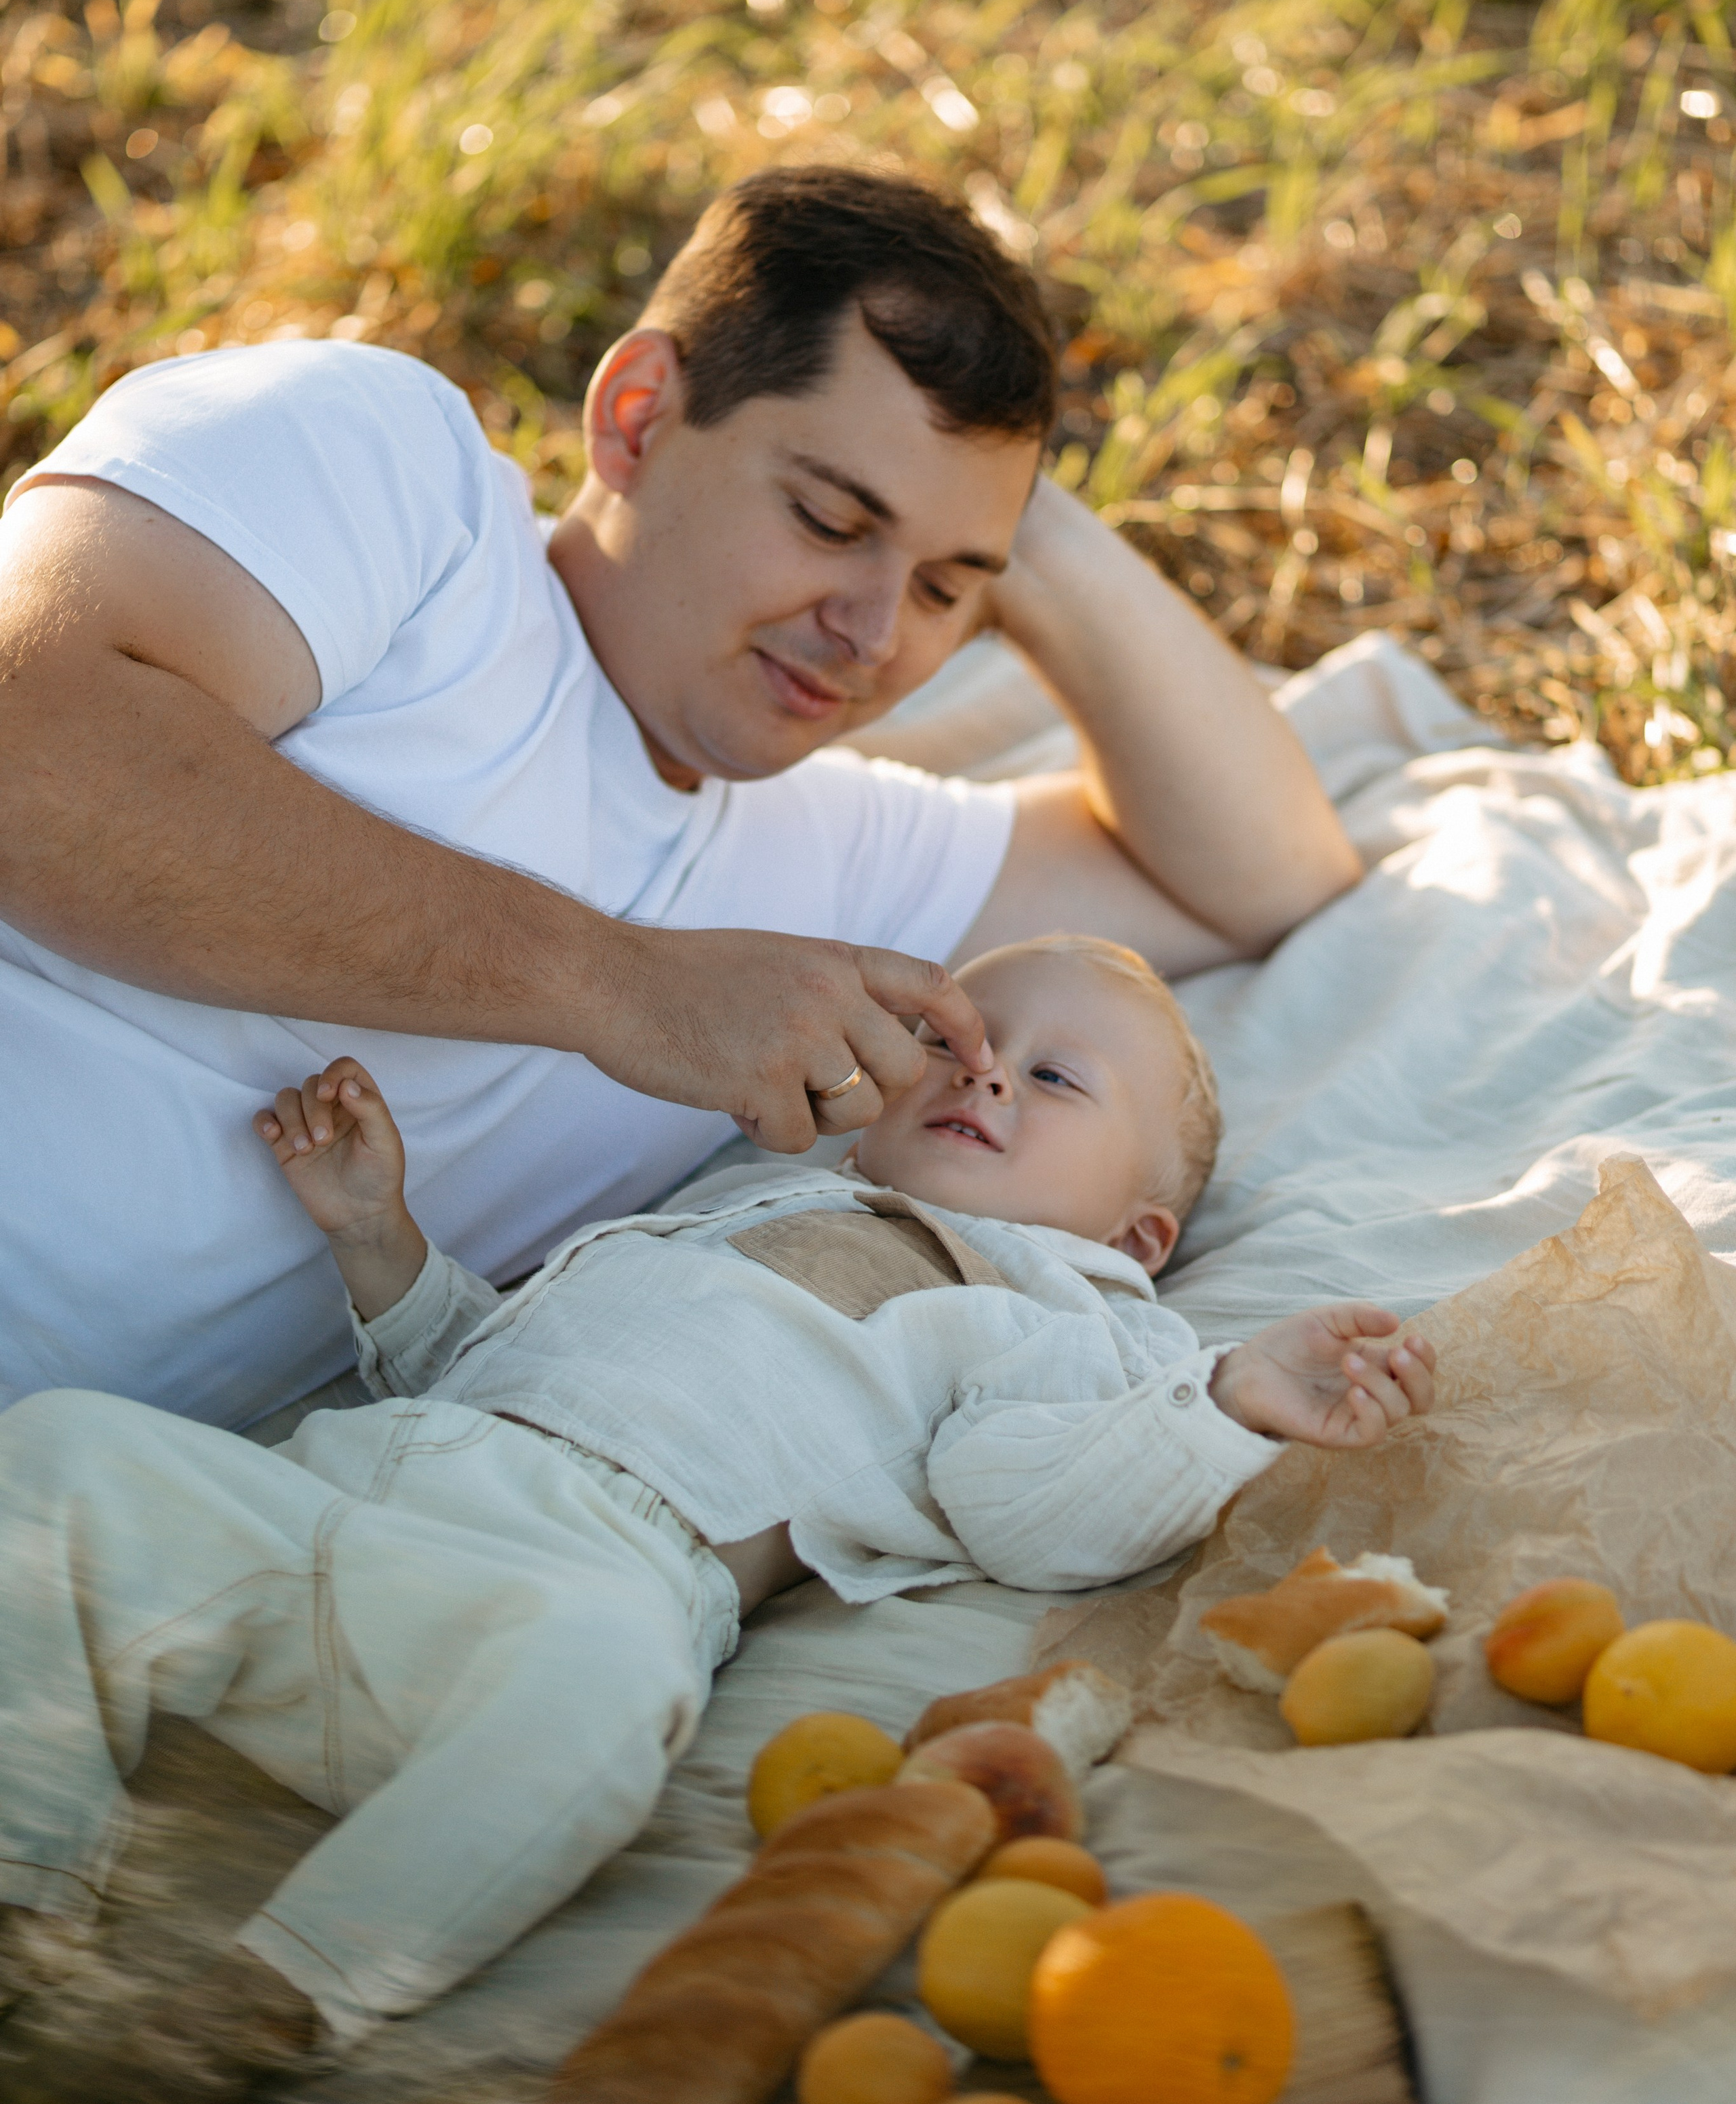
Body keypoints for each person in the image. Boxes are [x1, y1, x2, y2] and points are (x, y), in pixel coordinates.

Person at [0, 935, 1433, 2104]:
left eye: (1050, 1077)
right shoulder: (731, 1204)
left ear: (1133, 1238)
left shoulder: (1057, 1312)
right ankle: (24, 1885)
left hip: (577, 1583)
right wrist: (379, 1239)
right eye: (959, 1042)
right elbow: (488, 1357)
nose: (984, 1069)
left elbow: (1036, 1504)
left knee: (609, 1690)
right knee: (61, 1451)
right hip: (356, 1487)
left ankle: (273, 1993)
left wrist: (1227, 1402)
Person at [0, 166, 1361, 1429]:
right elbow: (28, 744)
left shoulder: (826, 863)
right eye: (831, 519)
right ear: (638, 415)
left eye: (950, 587)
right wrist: (619, 985)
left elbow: (1264, 869)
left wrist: (1005, 500)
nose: (875, 630)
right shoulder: (403, 491)